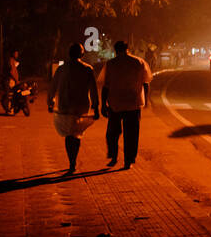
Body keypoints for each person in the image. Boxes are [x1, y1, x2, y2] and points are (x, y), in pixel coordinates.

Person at [47, 43, 100, 173]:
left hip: (64, 106)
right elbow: (93, 90)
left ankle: (72, 160)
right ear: (82, 54)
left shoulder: (62, 69)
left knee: (69, 134)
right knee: (76, 133)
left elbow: (52, 87)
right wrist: (96, 107)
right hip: (80, 107)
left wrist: (50, 102)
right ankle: (73, 160)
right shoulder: (88, 69)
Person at [102, 40, 152, 169]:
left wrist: (103, 104)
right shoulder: (139, 62)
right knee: (132, 134)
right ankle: (128, 160)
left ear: (115, 50)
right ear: (127, 49)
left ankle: (113, 156)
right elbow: (146, 82)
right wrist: (146, 100)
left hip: (115, 103)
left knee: (112, 133)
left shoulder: (111, 64)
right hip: (133, 103)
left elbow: (105, 86)